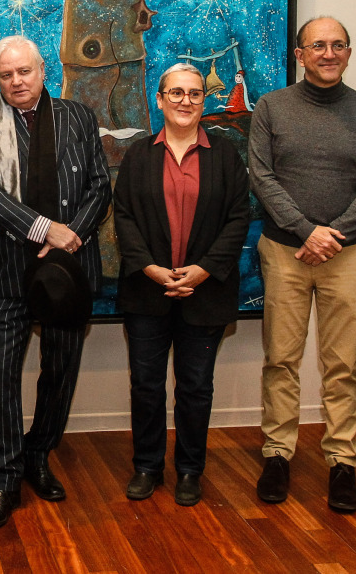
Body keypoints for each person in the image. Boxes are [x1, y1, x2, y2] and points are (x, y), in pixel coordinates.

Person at [0, 34, 111, 529]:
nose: (16, 82)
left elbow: (98, 185)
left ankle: (39, 456)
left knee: (60, 368)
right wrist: (46, 229)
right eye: (6, 75)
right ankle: (5, 477)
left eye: (23, 72)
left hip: (69, 271)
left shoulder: (78, 117)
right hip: (8, 272)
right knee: (2, 376)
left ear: (42, 70)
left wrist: (70, 238)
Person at [248, 16, 356, 512]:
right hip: (284, 251)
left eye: (338, 45)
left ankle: (342, 460)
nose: (328, 53)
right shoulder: (271, 107)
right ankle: (277, 453)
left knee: (342, 364)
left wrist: (332, 236)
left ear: (348, 53)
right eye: (318, 46)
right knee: (281, 359)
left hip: (348, 255)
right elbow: (261, 177)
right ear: (300, 54)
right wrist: (306, 231)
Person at [113, 63, 250, 506]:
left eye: (193, 93)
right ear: (160, 99)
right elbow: (125, 218)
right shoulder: (138, 155)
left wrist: (203, 269)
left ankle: (190, 469)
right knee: (146, 385)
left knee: (195, 387)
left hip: (205, 292)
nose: (185, 101)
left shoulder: (225, 155)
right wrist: (150, 268)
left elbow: (237, 219)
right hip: (146, 290)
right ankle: (148, 466)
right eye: (175, 93)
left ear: (203, 100)